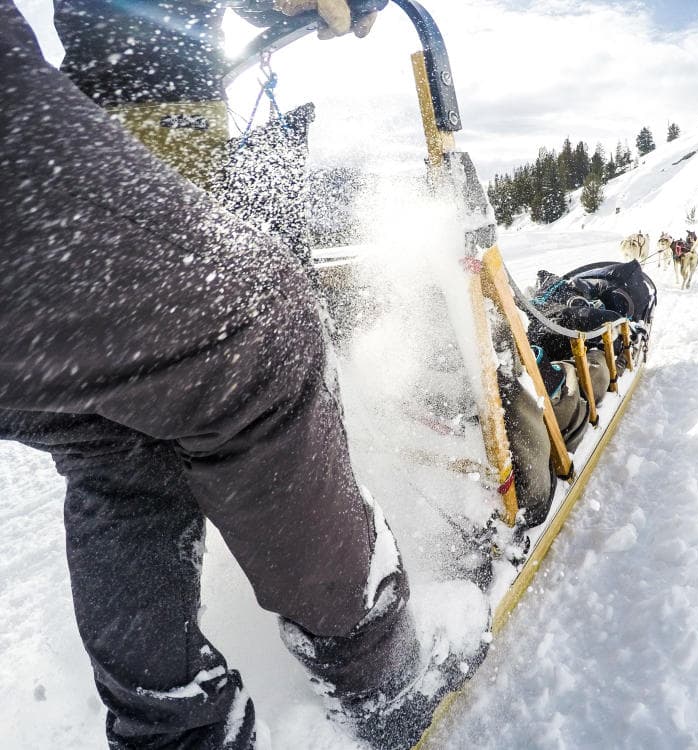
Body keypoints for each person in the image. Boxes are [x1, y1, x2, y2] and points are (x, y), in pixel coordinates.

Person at [0, 2, 489, 749]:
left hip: (101, 124)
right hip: (83, 147)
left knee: (119, 436)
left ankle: (172, 733)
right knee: (264, 339)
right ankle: (382, 678)